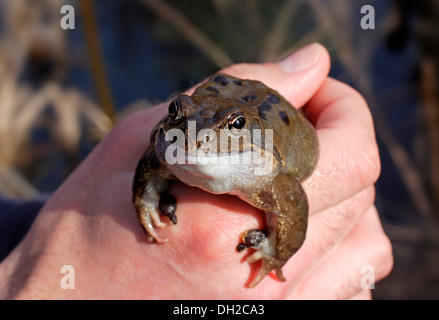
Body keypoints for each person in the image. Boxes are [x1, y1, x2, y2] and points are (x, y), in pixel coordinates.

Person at [0, 43, 392, 299]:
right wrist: (146, 196)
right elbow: (152, 160)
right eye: (178, 116)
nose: (200, 139)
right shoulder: (169, 146)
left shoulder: (272, 177)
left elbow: (296, 208)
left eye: (233, 127)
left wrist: (275, 252)